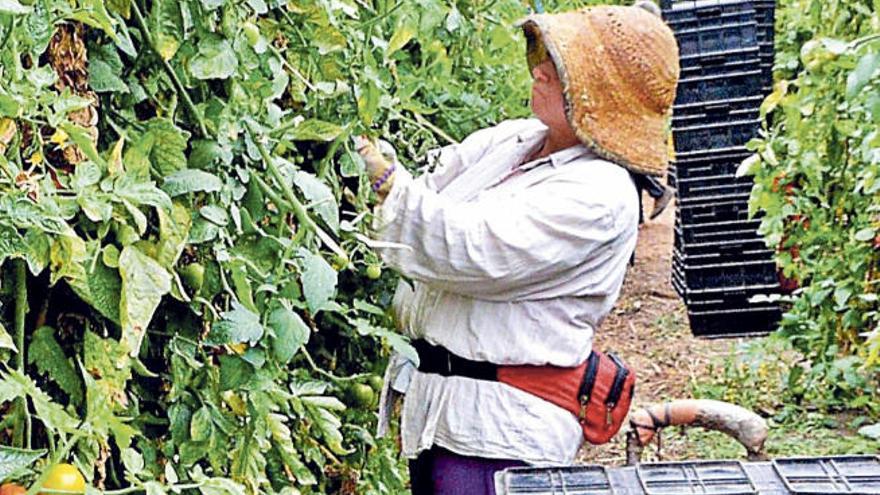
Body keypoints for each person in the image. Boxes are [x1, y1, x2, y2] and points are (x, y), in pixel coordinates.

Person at [356, 2, 679, 494]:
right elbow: (430, 186)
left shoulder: (601, 194)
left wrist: (387, 184)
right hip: (444, 413)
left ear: (600, 98)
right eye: (550, 55)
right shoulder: (517, 140)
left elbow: (472, 250)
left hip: (500, 434)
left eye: (565, 65)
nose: (542, 69)